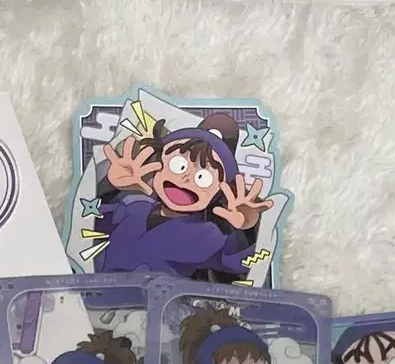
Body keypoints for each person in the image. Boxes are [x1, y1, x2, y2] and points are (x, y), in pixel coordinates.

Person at [94, 114, 273, 281]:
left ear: (220, 192)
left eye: (203, 177)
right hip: (95, 291)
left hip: (153, 301)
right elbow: (91, 222)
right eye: (178, 165)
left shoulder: (208, 235)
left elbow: (241, 263)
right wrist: (110, 186)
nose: (186, 178)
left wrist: (243, 230)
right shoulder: (134, 207)